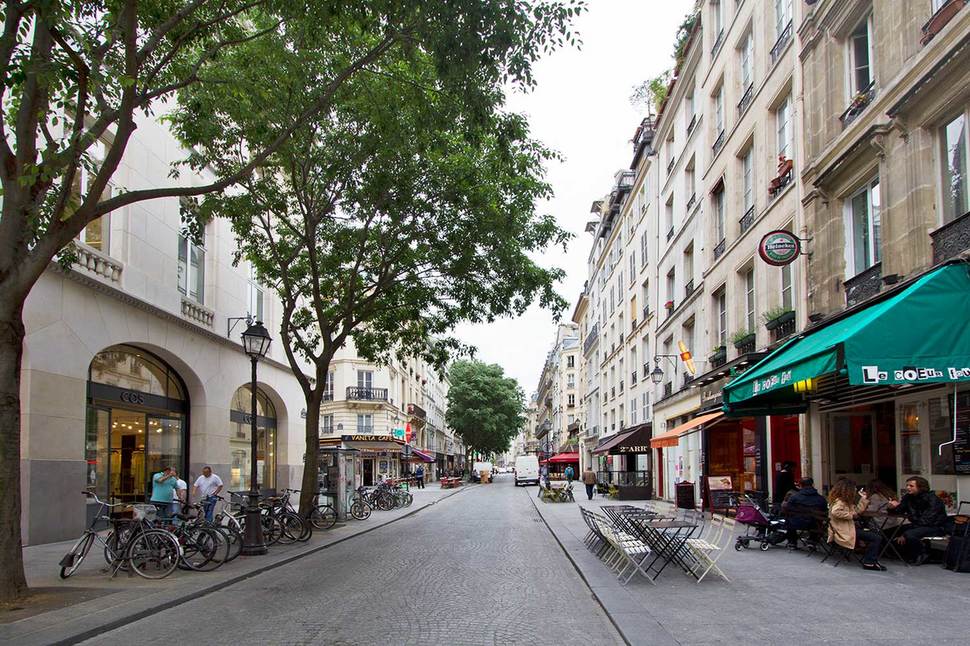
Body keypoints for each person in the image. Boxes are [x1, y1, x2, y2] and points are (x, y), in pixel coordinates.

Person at [888, 476, 948, 565]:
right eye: (907, 485)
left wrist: (905, 533)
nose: (908, 488)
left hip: (935, 527)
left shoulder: (933, 499)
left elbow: (927, 520)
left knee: (909, 534)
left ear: (921, 487)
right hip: (917, 525)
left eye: (911, 486)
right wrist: (892, 507)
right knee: (888, 532)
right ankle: (896, 553)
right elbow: (899, 511)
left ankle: (922, 554)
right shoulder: (908, 497)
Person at [828, 479, 885, 571]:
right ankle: (869, 562)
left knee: (874, 534)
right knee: (876, 537)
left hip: (843, 529)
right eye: (854, 488)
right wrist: (851, 515)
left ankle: (869, 559)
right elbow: (836, 512)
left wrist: (863, 499)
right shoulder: (841, 501)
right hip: (845, 531)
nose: (855, 489)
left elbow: (857, 511)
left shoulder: (842, 500)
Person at [782, 477, 828, 547]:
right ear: (812, 484)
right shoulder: (821, 499)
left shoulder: (794, 497)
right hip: (814, 524)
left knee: (788, 518)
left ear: (800, 485)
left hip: (796, 523)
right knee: (816, 520)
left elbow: (787, 509)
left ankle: (792, 542)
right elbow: (824, 511)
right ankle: (812, 540)